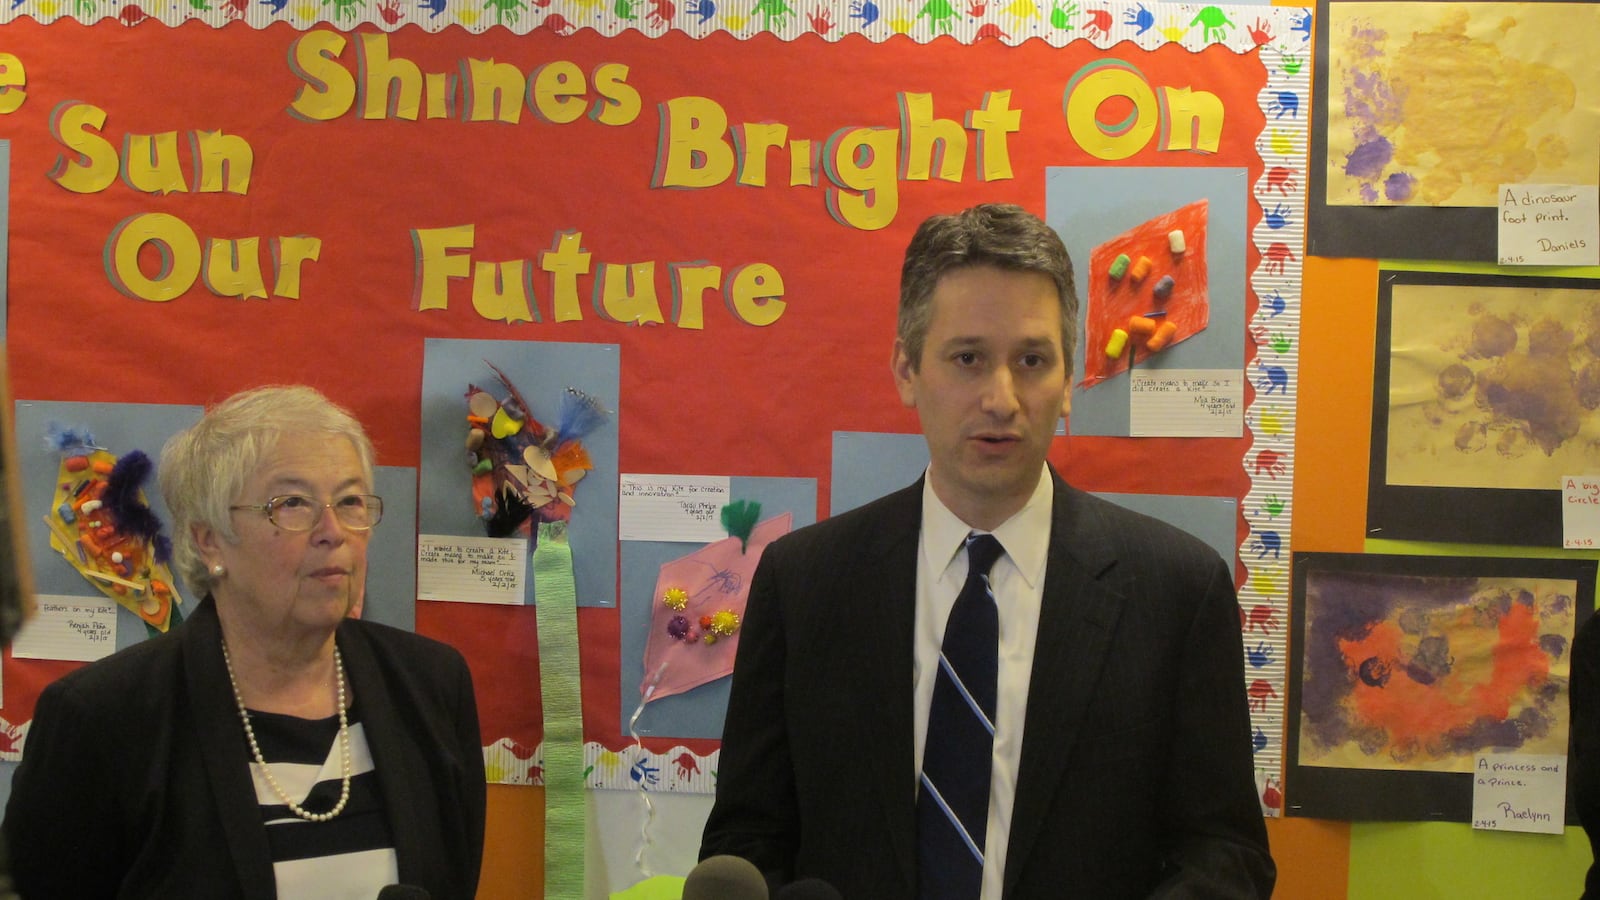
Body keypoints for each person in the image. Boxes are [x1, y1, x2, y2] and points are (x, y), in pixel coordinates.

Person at [700, 203, 1274, 898]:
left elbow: (1225, 853)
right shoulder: (803, 584)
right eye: (968, 359)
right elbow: (748, 837)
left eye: (1032, 361)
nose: (1001, 399)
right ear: (907, 370)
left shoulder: (1178, 591)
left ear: (1068, 381)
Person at [3, 385, 486, 899]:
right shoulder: (102, 719)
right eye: (292, 503)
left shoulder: (431, 684)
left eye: (349, 501)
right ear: (210, 540)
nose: (333, 530)